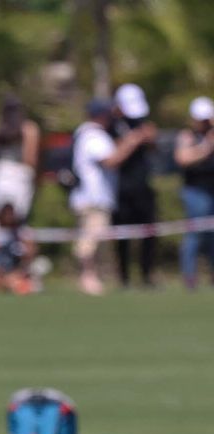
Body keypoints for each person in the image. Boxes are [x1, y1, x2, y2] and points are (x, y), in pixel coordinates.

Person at [70, 97, 153, 297]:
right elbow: (111, 160)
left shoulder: (87, 134)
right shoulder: (93, 135)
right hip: (93, 198)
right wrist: (133, 140)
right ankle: (87, 277)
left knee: (95, 239)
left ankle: (91, 276)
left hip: (94, 198)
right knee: (90, 239)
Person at [112, 84, 161, 288]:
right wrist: (133, 139)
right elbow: (114, 156)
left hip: (143, 187)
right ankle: (124, 278)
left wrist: (150, 139)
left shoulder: (143, 123)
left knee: (149, 233)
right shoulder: (113, 126)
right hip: (121, 189)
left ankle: (147, 275)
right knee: (122, 235)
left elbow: (153, 150)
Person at [175, 97, 214, 289]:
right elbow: (182, 158)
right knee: (195, 234)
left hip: (212, 190)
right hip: (196, 192)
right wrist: (206, 147)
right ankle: (190, 277)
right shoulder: (188, 136)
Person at [0, 95, 41, 220]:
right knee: (17, 218)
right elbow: (30, 158)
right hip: (20, 174)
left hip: (0, 172)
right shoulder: (28, 128)